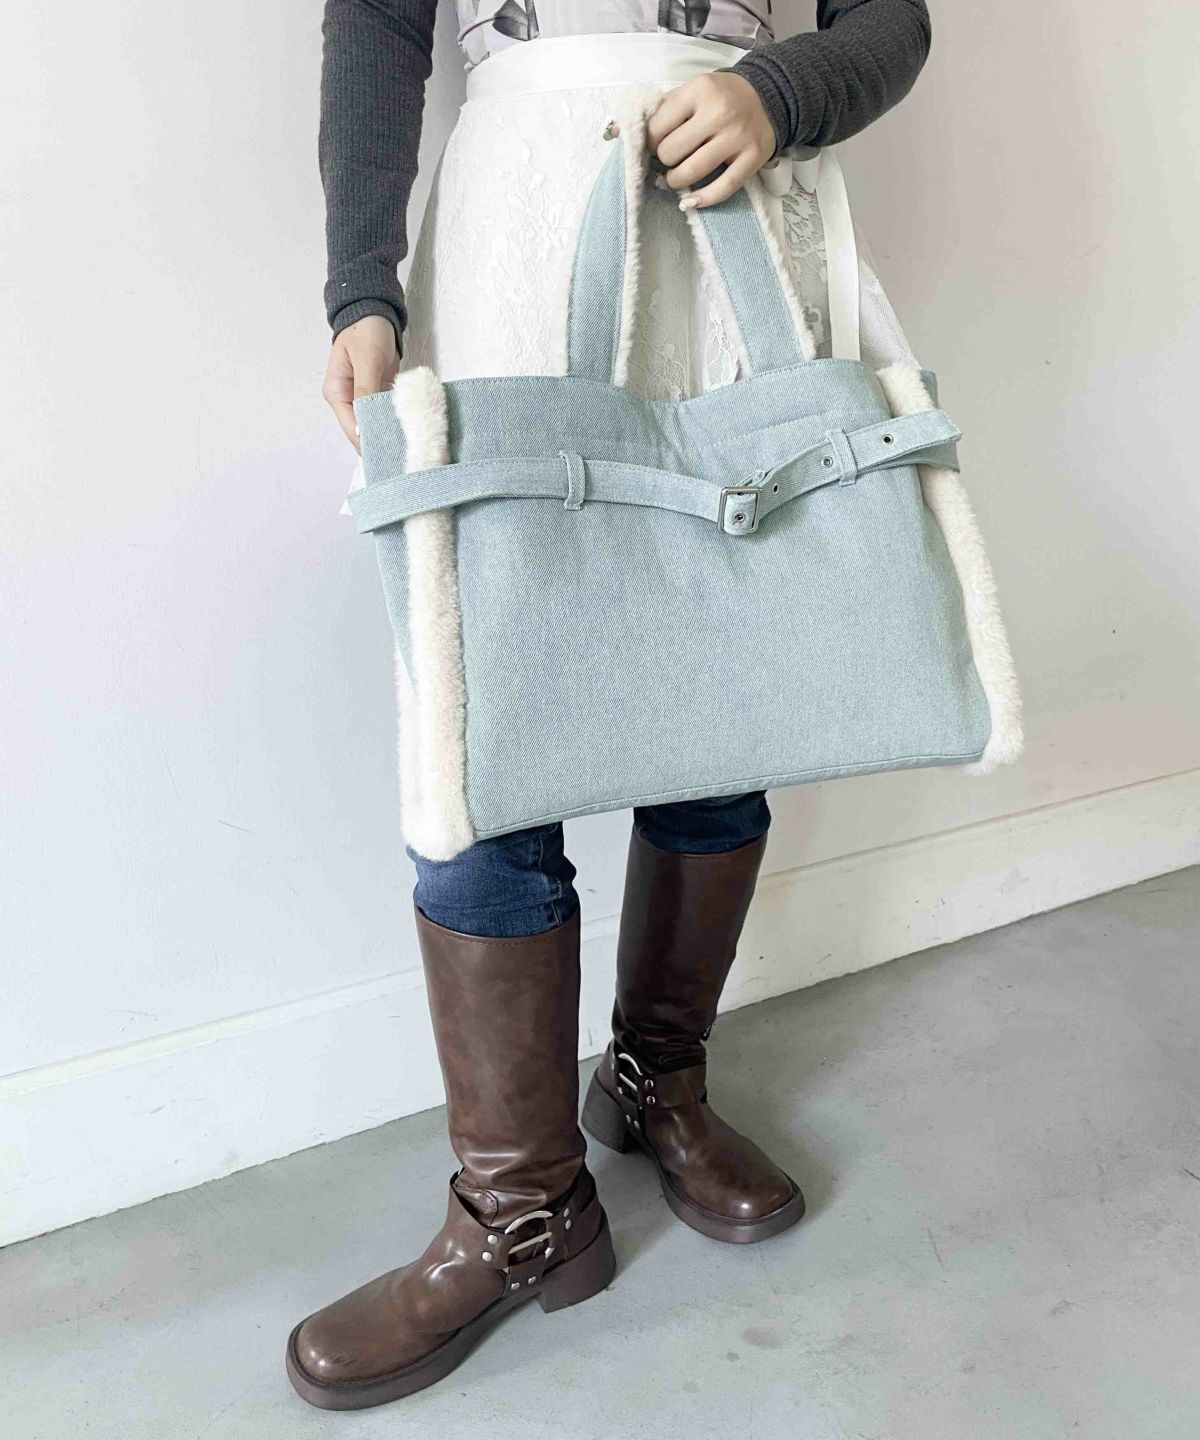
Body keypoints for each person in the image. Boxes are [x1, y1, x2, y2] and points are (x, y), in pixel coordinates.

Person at [288, 0, 933, 1411]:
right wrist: (359, 287)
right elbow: (376, 25)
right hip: (511, 243)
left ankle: (656, 1083)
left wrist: (781, 92)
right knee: (480, 732)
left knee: (724, 692)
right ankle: (521, 1210)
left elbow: (892, 19)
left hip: (735, 220)